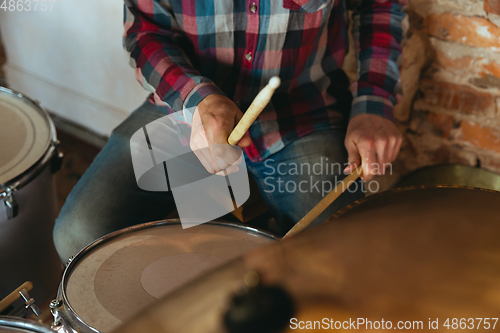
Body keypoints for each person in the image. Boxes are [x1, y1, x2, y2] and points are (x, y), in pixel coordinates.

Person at [53, 0, 406, 263]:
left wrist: (374, 102)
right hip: (188, 107)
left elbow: (380, 7)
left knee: (341, 259)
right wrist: (198, 100)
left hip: (302, 111)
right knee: (79, 235)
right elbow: (146, 32)